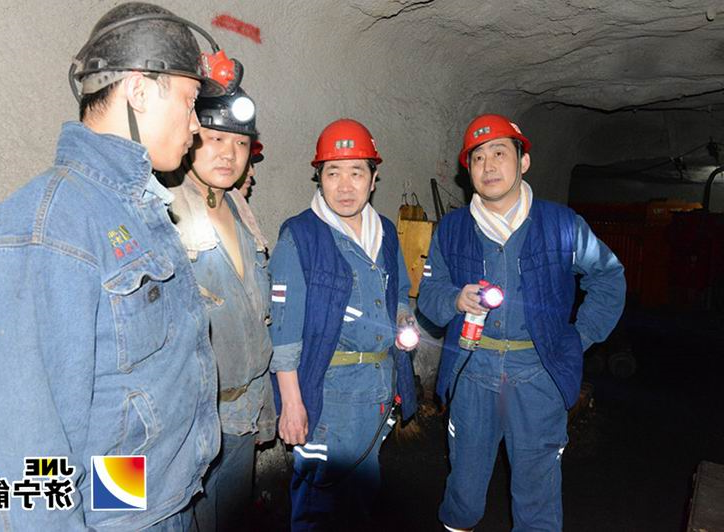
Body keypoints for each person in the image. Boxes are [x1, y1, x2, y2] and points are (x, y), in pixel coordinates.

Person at [0, 3, 236, 529]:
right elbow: (25, 444)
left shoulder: (138, 209)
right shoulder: (47, 227)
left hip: (158, 502)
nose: (197, 125)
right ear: (139, 91)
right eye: (190, 101)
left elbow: (119, 405)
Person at [417, 114, 626, 531]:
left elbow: (608, 276)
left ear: (523, 161)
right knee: (463, 490)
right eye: (478, 157)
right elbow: (430, 294)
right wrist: (455, 299)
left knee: (537, 494)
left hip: (537, 373)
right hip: (471, 371)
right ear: (468, 169)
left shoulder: (562, 225)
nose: (489, 165)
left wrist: (578, 337)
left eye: (500, 153)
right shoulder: (452, 229)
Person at [269, 118, 419, 530]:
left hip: (377, 388)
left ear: (373, 178)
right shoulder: (301, 236)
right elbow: (283, 333)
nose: (345, 185)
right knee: (318, 507)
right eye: (333, 172)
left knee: (359, 501)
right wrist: (292, 405)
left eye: (357, 172)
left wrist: (402, 318)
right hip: (327, 395)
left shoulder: (385, 231)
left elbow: (399, 292)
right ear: (319, 177)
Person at [165, 87, 275, 531]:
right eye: (215, 138)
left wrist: (264, 407)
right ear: (190, 134)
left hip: (241, 414)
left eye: (241, 143)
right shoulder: (163, 211)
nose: (229, 153)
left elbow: (255, 320)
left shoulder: (241, 211)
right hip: (190, 422)